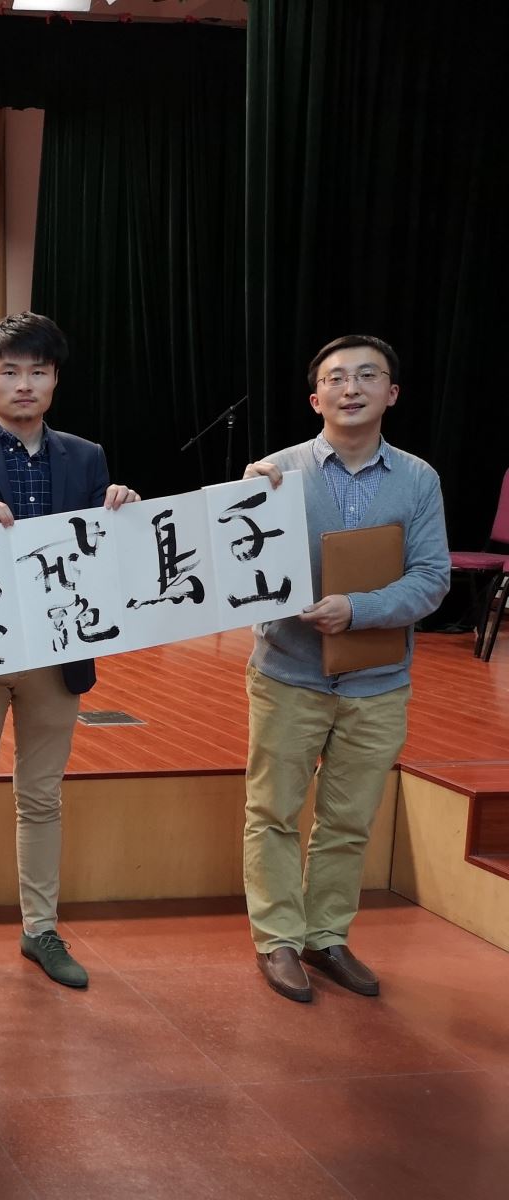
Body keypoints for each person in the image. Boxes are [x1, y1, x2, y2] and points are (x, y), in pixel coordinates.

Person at [0, 312, 138, 994]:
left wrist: (124, 513)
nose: (24, 384)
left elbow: (108, 558)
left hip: (57, 651)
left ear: (55, 380)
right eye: (9, 371)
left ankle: (40, 928)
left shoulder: (86, 457)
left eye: (38, 371)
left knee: (42, 797)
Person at [241, 335, 448, 1003]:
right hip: (288, 672)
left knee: (350, 820)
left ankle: (326, 935)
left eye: (367, 375)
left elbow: (432, 578)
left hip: (377, 683)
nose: (351, 388)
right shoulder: (274, 472)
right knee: (273, 812)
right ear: (315, 398)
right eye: (336, 378)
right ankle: (278, 938)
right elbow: (238, 570)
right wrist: (240, 507)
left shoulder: (419, 479)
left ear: (392, 393)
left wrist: (357, 610)